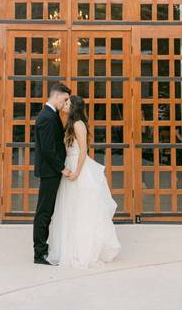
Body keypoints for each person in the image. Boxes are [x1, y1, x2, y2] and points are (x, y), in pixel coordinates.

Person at [45, 94, 121, 268]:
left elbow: (83, 152)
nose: (65, 104)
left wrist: (77, 172)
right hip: (69, 166)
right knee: (69, 208)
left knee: (81, 209)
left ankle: (82, 250)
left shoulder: (79, 125)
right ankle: (69, 248)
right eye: (65, 102)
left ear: (74, 108)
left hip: (78, 168)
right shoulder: (68, 124)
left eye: (68, 103)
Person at [32, 82, 71, 265]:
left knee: (47, 210)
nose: (65, 103)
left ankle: (42, 249)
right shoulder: (46, 117)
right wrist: (61, 168)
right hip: (49, 172)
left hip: (51, 171)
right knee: (44, 212)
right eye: (64, 99)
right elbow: (48, 149)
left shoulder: (52, 114)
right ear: (56, 95)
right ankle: (39, 253)